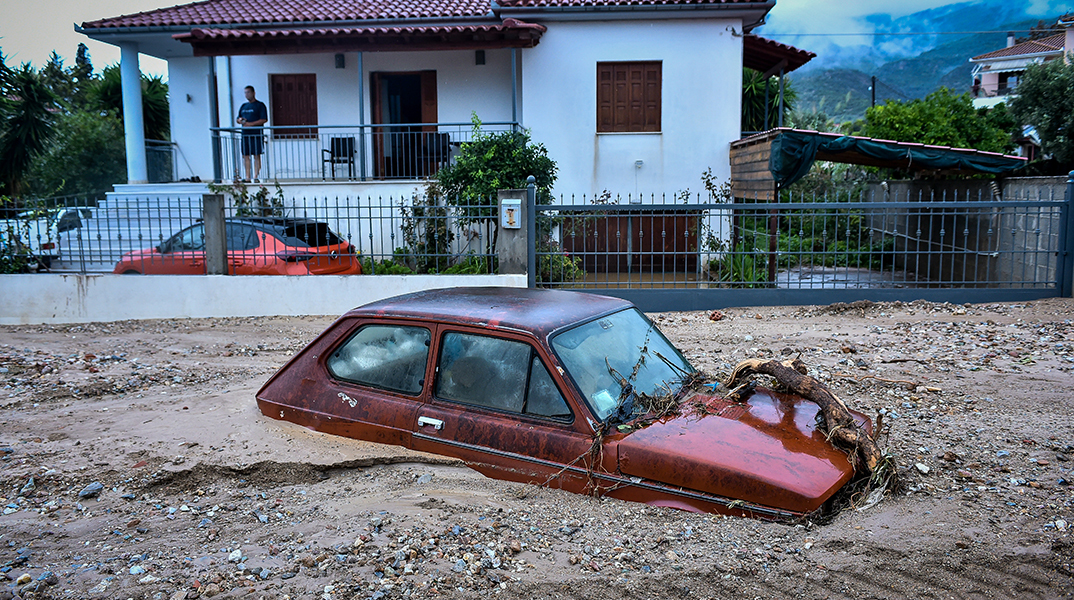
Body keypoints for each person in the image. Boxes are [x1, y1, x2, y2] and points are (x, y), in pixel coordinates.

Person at [236, 85, 268, 182]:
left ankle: (256, 176)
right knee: (245, 155)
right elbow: (238, 119)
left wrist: (251, 124)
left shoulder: (260, 105)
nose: (246, 95)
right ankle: (247, 177)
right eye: (245, 93)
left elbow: (264, 119)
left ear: (254, 93)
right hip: (245, 135)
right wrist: (240, 120)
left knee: (256, 155)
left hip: (256, 134)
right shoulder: (243, 106)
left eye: (248, 92)